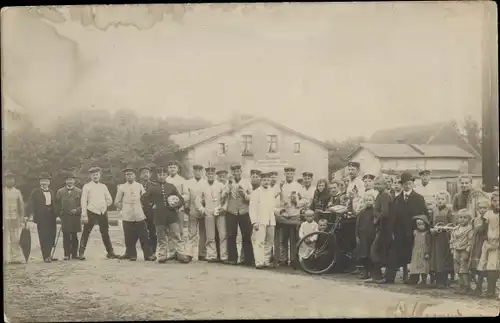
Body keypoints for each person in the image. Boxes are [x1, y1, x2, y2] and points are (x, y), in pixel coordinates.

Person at [386, 172, 428, 285]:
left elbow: (424, 215)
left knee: (413, 255)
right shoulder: (397, 199)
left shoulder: (418, 198)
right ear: (402, 185)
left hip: (413, 231)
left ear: (413, 184)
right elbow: (392, 217)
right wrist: (392, 231)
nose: (407, 186)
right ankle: (390, 277)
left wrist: (420, 229)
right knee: (396, 253)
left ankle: (412, 277)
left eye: (409, 183)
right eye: (405, 184)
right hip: (399, 231)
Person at [143, 165, 190, 263]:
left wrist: (176, 206)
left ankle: (181, 254)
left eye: (164, 174)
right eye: (160, 174)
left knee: (176, 235)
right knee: (161, 237)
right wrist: (151, 206)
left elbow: (180, 199)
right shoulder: (152, 187)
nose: (162, 176)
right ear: (157, 176)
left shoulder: (171, 186)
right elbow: (143, 199)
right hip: (158, 216)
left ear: (166, 175)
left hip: (171, 215)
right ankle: (162, 255)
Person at [114, 166, 155, 262]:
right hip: (127, 215)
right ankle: (132, 254)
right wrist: (123, 210)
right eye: (127, 175)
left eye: (131, 174)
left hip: (139, 214)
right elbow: (117, 202)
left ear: (135, 176)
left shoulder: (139, 186)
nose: (129, 176)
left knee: (144, 235)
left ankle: (148, 255)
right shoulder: (122, 187)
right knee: (129, 236)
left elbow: (145, 198)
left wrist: (142, 207)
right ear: (125, 176)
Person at [79, 167, 117, 260]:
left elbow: (109, 199)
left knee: (105, 232)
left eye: (97, 174)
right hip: (91, 211)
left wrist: (104, 205)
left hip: (102, 212)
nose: (95, 176)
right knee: (86, 232)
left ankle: (110, 252)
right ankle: (81, 253)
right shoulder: (87, 186)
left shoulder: (103, 186)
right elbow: (83, 201)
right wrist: (84, 215)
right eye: (93, 175)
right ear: (90, 176)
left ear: (100, 175)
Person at [224, 164, 254, 266]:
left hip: (244, 211)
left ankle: (247, 259)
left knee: (246, 235)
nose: (236, 173)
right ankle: (232, 258)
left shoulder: (247, 183)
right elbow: (222, 196)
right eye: (234, 171)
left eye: (238, 171)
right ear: (232, 173)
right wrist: (226, 191)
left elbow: (252, 198)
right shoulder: (228, 183)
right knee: (231, 235)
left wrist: (244, 194)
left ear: (241, 172)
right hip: (231, 211)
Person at [278, 166, 307, 267]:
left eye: (291, 173)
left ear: (294, 174)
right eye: (287, 173)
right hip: (284, 215)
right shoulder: (281, 186)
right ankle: (283, 259)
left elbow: (305, 200)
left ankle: (294, 259)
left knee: (294, 238)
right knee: (283, 239)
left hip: (294, 215)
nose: (289, 175)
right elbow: (277, 199)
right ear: (285, 174)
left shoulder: (298, 186)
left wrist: (297, 202)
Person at [250, 172, 280, 269]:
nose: (266, 182)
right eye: (264, 180)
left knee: (269, 241)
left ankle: (266, 261)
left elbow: (273, 207)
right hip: (260, 220)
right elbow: (252, 208)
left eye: (268, 180)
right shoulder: (256, 192)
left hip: (271, 220)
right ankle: (259, 262)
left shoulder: (271, 191)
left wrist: (280, 211)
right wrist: (254, 221)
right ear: (261, 181)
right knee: (259, 241)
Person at [365, 176, 392, 284]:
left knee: (374, 250)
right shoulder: (381, 195)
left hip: (384, 227)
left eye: (379, 184)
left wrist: (375, 214)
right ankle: (377, 275)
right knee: (376, 250)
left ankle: (378, 275)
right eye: (376, 184)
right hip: (381, 227)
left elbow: (385, 213)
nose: (377, 186)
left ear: (385, 185)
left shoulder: (384, 195)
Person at [199, 166, 227, 263]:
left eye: (212, 174)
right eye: (208, 174)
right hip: (209, 211)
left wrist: (223, 208)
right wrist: (203, 209)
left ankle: (224, 256)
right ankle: (212, 255)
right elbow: (197, 200)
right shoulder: (202, 186)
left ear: (215, 175)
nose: (210, 175)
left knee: (223, 234)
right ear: (206, 175)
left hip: (220, 212)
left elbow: (226, 198)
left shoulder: (220, 185)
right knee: (210, 235)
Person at [28, 172, 58, 263]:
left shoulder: (52, 191)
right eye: (42, 181)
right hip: (41, 217)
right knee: (43, 236)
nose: (44, 183)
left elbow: (54, 204)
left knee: (51, 235)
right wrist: (31, 215)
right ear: (40, 182)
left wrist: (57, 215)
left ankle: (49, 255)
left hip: (51, 216)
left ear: (49, 182)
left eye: (46, 181)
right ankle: (45, 256)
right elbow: (31, 204)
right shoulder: (35, 192)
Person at [429, 191, 454, 289]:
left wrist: (447, 230)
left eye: (442, 199)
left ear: (446, 200)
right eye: (438, 199)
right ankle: (437, 279)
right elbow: (431, 223)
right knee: (436, 258)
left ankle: (444, 280)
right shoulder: (434, 210)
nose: (440, 201)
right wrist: (432, 229)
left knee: (444, 258)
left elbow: (453, 224)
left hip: (445, 238)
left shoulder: (449, 211)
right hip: (436, 238)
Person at [477, 191, 499, 298]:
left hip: (498, 244)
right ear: (491, 202)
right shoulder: (488, 214)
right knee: (486, 265)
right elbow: (484, 228)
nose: (497, 203)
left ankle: (492, 290)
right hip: (489, 243)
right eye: (495, 201)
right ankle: (485, 290)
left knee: (495, 267)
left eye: (499, 201)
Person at [165, 160, 189, 260]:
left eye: (174, 167)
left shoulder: (182, 180)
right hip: (168, 209)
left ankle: (181, 252)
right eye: (170, 167)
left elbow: (186, 195)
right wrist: (168, 203)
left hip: (179, 208)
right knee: (169, 231)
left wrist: (177, 202)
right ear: (168, 169)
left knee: (180, 230)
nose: (172, 169)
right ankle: (172, 252)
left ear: (177, 169)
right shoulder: (165, 180)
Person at [55, 171, 82, 260]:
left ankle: (74, 254)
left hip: (75, 217)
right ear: (65, 181)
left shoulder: (79, 191)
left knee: (74, 236)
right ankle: (66, 254)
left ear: (74, 181)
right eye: (68, 180)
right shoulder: (60, 191)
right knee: (66, 236)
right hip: (65, 217)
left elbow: (83, 205)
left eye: (71, 180)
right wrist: (60, 213)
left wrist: (77, 210)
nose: (70, 182)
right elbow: (57, 204)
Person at [3, 171, 26, 265]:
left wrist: (22, 218)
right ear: (5, 181)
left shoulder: (17, 192)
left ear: (14, 181)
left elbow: (21, 206)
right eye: (8, 179)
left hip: (14, 218)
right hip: (4, 219)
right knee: (5, 239)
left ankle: (16, 258)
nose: (10, 181)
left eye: (11, 179)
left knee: (15, 239)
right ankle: (6, 258)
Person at [450, 209, 474, 294]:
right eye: (460, 217)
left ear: (469, 219)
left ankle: (466, 286)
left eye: (465, 217)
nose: (462, 219)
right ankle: (462, 285)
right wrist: (452, 248)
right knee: (457, 268)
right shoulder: (455, 229)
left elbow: (470, 240)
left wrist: (468, 249)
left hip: (464, 251)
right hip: (456, 250)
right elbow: (452, 239)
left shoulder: (470, 229)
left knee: (463, 268)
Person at [186, 164, 208, 261]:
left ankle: (202, 253)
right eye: (196, 170)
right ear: (193, 172)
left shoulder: (206, 182)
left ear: (202, 172)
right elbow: (187, 196)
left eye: (199, 170)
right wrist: (187, 207)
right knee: (192, 233)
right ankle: (189, 254)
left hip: (204, 210)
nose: (197, 172)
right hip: (193, 210)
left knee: (203, 233)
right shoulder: (189, 182)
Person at [354, 193, 377, 280]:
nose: (368, 202)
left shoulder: (375, 212)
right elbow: (357, 225)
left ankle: (372, 272)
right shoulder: (362, 212)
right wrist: (357, 235)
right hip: (363, 236)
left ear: (373, 201)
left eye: (370, 200)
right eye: (366, 200)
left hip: (372, 236)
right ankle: (365, 272)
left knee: (371, 254)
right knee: (363, 254)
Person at [469, 198, 489, 295]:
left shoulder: (489, 219)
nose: (482, 210)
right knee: (475, 264)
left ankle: (484, 286)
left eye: (484, 208)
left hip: (485, 244)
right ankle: (477, 286)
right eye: (480, 208)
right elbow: (473, 231)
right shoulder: (475, 220)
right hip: (476, 244)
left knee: (483, 265)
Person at [138, 164, 158, 254]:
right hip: (139, 211)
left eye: (147, 173)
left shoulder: (154, 185)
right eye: (143, 173)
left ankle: (153, 250)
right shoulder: (137, 186)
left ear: (150, 174)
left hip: (151, 212)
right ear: (140, 175)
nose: (145, 175)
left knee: (152, 231)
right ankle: (146, 251)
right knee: (142, 232)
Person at [409, 215, 431, 286]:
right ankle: (415, 279)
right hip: (416, 251)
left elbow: (428, 243)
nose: (420, 226)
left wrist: (427, 252)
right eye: (418, 224)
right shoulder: (415, 232)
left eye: (421, 224)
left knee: (423, 266)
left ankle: (424, 280)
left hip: (424, 251)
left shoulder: (427, 233)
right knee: (416, 266)